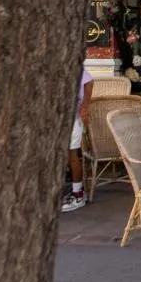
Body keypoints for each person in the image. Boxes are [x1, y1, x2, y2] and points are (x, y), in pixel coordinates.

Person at [61, 68, 94, 213]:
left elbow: (89, 82)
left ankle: (78, 195)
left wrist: (85, 106)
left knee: (72, 156)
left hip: (72, 119)